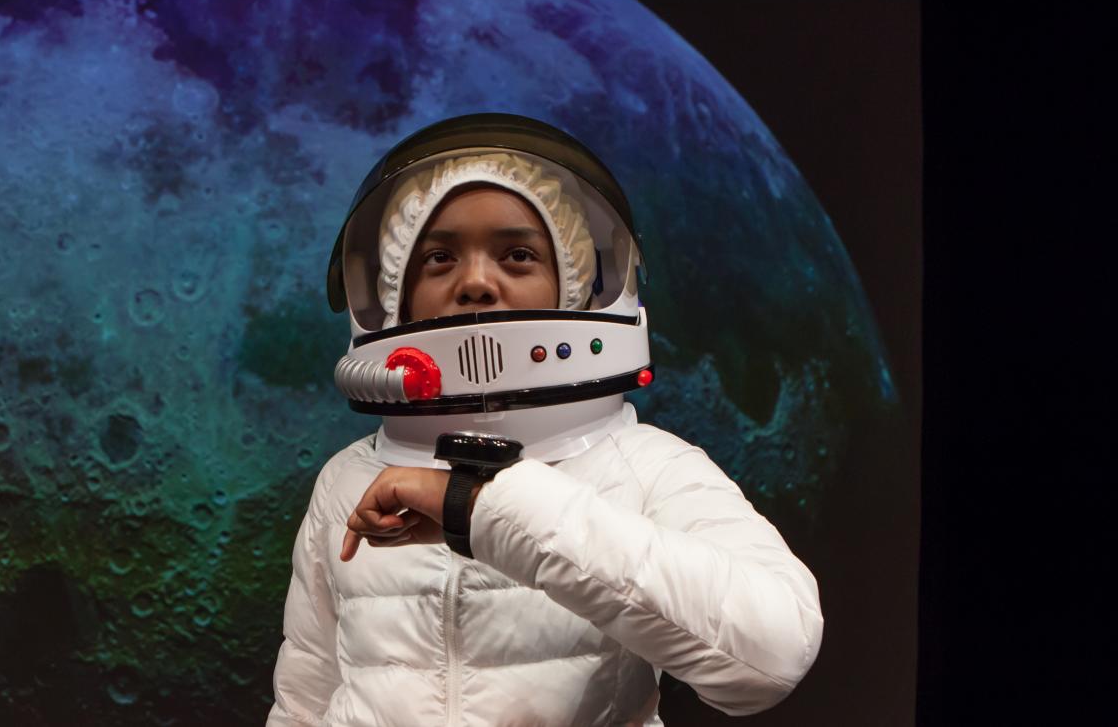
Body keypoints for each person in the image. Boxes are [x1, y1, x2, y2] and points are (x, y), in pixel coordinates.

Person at [268, 113, 822, 726]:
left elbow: (773, 655)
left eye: (518, 254)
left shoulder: (643, 467)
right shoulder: (348, 478)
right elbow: (305, 697)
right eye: (439, 256)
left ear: (575, 282)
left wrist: (479, 511)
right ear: (393, 288)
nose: (476, 282)